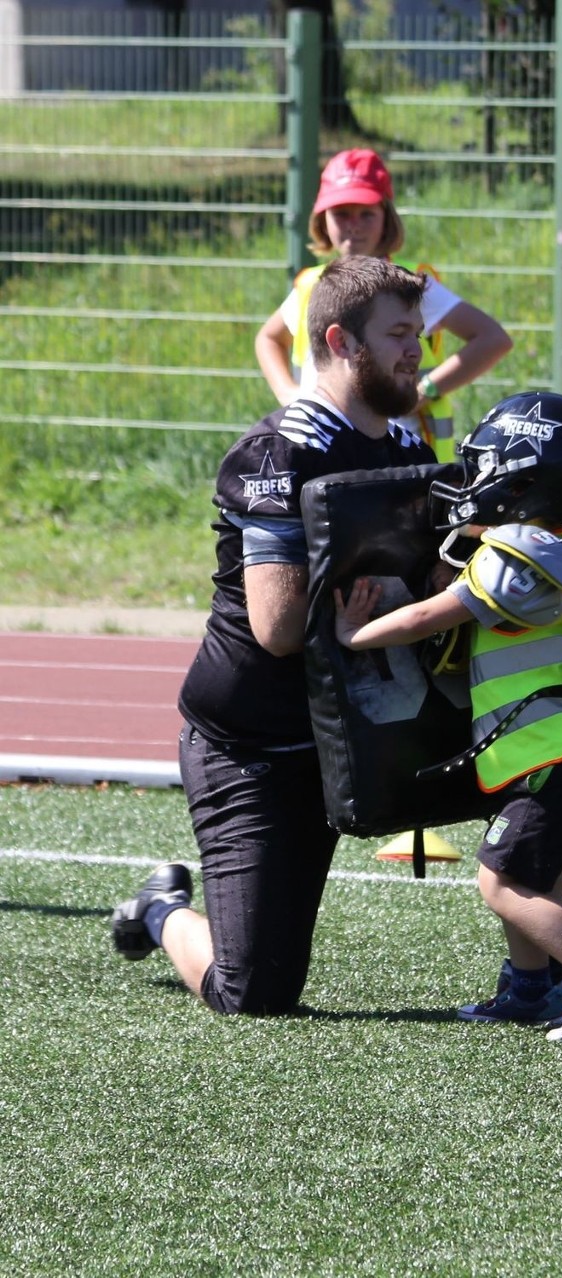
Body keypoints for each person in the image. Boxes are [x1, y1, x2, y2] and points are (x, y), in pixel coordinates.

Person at [110, 256, 437, 1016]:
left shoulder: (406, 448)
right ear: (339, 340)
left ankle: (538, 975)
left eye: (417, 332)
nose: (416, 350)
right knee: (253, 991)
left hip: (337, 739)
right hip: (250, 744)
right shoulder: (279, 454)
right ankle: (161, 909)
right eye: (398, 334)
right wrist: (385, 615)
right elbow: (280, 628)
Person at [334, 391, 562, 1043]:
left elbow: (436, 614)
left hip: (561, 754)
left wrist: (354, 634)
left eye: (485, 464)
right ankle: (531, 986)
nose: (473, 478)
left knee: (502, 881)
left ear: (518, 477)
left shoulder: (518, 550)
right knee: (536, 877)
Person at [254, 147, 513, 462]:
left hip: (403, 455)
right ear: (322, 219)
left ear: (387, 216)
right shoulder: (311, 285)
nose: (354, 225)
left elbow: (493, 338)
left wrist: (426, 389)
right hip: (323, 450)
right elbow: (268, 338)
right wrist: (288, 394)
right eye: (341, 214)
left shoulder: (408, 284)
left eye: (366, 213)